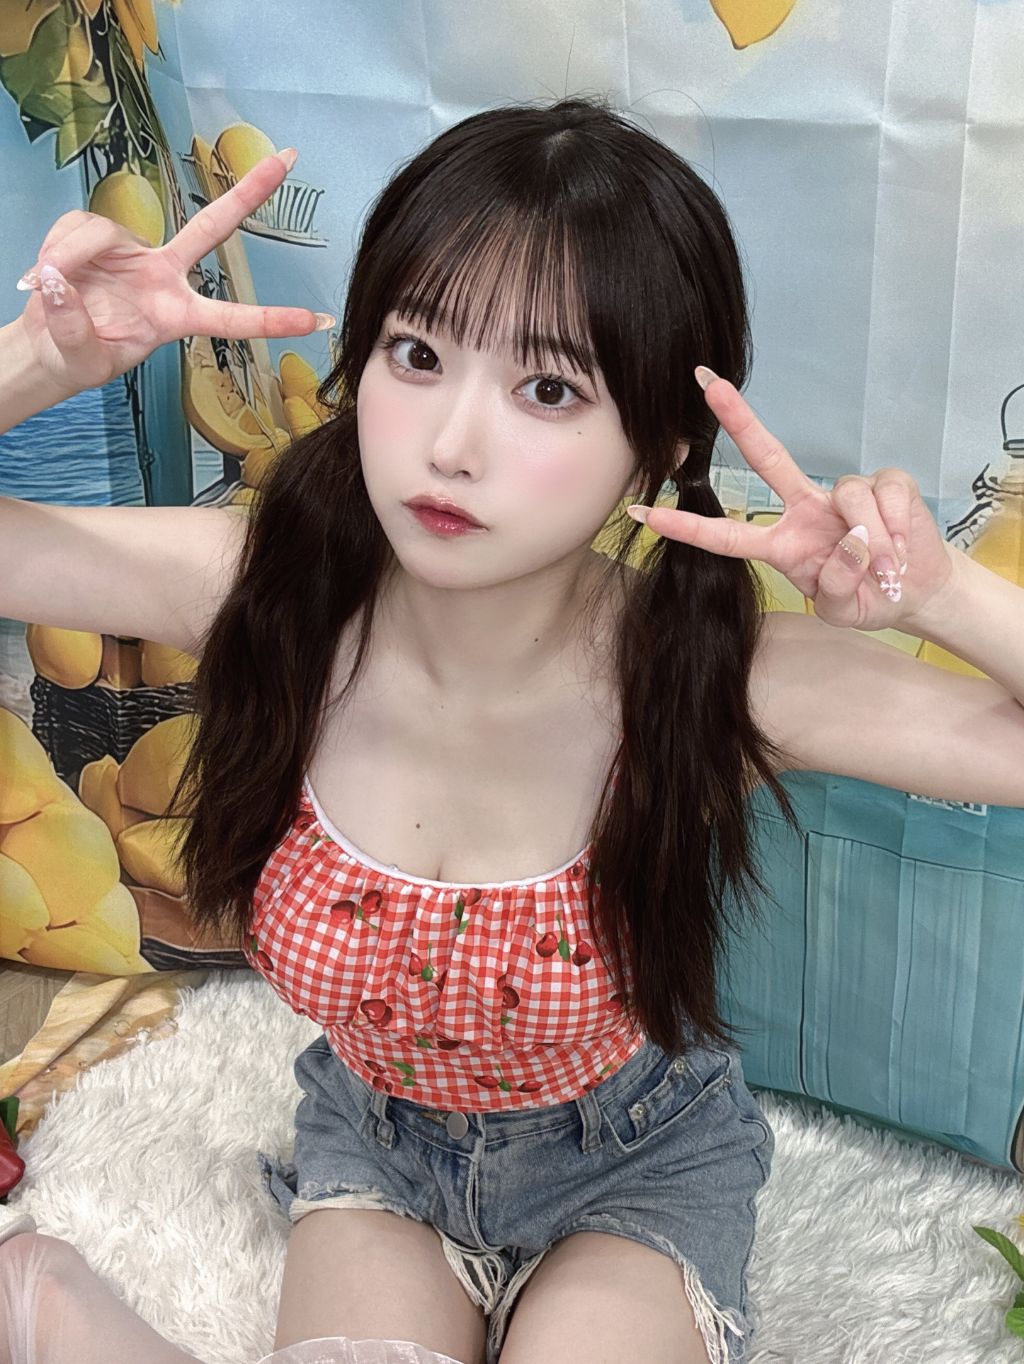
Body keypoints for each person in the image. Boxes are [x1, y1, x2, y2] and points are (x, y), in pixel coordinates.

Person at [3, 92, 1021, 1364]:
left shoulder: (699, 669)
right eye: (416, 355)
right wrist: (38, 361)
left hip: (632, 1165)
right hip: (379, 1145)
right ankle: (42, 1293)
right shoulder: (271, 591)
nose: (451, 444)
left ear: (656, 444)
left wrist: (942, 595)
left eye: (547, 387)